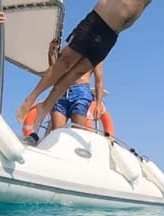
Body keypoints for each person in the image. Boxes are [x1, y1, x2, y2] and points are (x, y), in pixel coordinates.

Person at [16, 0, 151, 123]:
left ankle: (45, 107)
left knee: (77, 73)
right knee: (65, 62)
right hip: (99, 20)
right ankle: (30, 99)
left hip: (112, 35)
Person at [21, 38, 104, 145]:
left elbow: (99, 81)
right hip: (61, 91)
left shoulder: (96, 53)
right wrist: (51, 53)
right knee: (57, 131)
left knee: (78, 130)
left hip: (80, 91)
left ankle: (79, 151)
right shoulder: (68, 50)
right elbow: (55, 70)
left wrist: (98, 104)